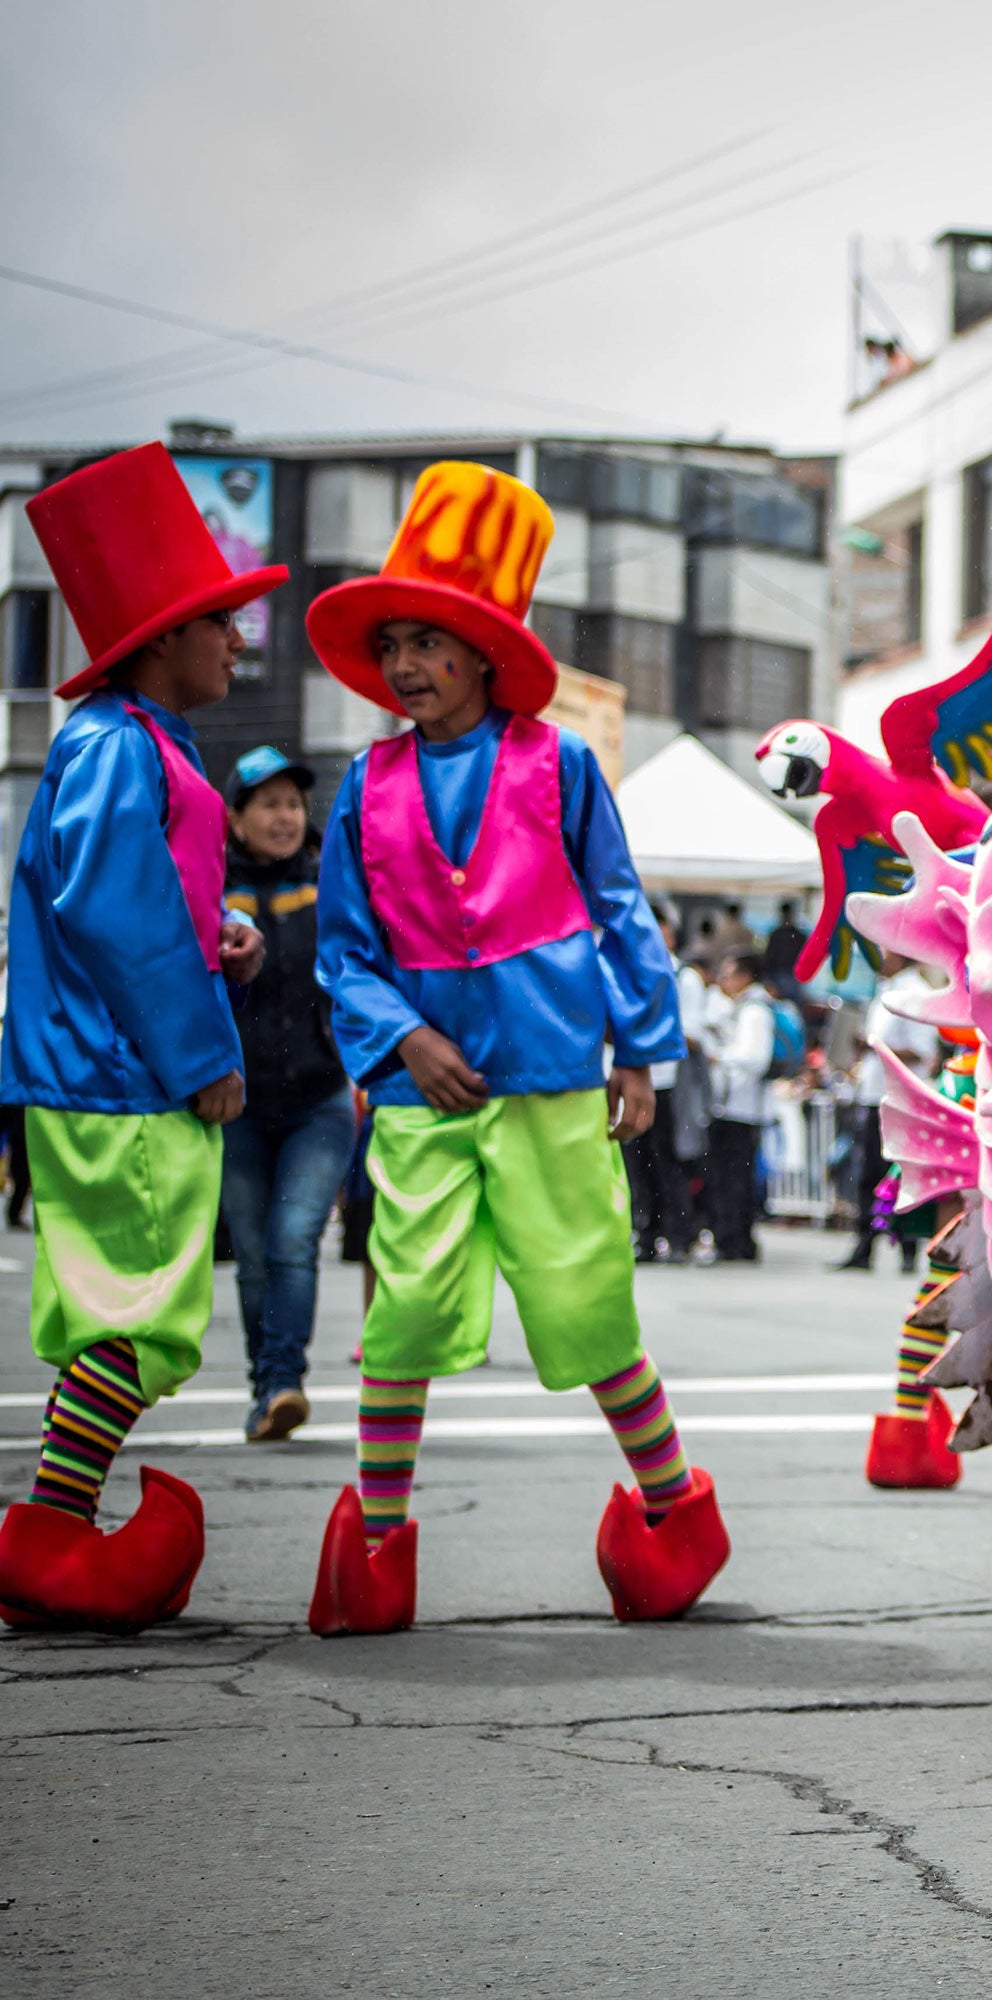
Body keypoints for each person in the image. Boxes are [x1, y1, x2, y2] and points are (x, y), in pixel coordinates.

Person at [304, 461, 725, 1634]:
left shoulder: (560, 764)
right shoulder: (363, 785)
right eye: (394, 642)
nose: (406, 666)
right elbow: (345, 950)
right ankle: (377, 1546)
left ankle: (671, 1508)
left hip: (546, 1076)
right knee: (407, 1312)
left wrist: (638, 1049)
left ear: (486, 655)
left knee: (586, 1299)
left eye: (431, 642)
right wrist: (404, 1037)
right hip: (421, 1095)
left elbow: (618, 902)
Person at [0, 443, 279, 1633]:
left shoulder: (129, 741)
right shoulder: (123, 742)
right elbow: (111, 904)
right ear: (162, 637)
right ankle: (51, 1536)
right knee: (143, 1312)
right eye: (221, 622)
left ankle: (55, 1532)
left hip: (95, 1064)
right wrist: (201, 1049)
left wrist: (214, 929)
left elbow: (125, 893)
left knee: (122, 1308)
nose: (238, 642)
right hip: (123, 1075)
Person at [220, 745, 356, 1443]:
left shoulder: (330, 883)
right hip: (234, 1104)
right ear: (236, 817)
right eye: (267, 803)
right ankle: (264, 1382)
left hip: (320, 1098)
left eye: (293, 804)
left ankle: (283, 1381)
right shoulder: (208, 885)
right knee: (251, 1249)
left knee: (293, 1239)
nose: (283, 816)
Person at [620, 900, 698, 1263]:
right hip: (628, 1077)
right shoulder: (625, 968)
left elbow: (692, 1031)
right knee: (636, 1162)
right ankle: (645, 1232)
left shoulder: (685, 977)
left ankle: (680, 1234)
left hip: (667, 1079)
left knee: (669, 1161)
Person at [699, 952, 774, 1265]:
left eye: (729, 974)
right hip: (730, 1106)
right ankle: (733, 1237)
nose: (723, 981)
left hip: (741, 1109)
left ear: (746, 977)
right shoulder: (736, 1008)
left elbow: (755, 1058)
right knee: (729, 1177)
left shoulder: (755, 1012)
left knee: (734, 1178)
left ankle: (735, 1239)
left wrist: (721, 1057)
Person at [759, 898, 805, 995]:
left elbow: (769, 956)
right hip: (793, 975)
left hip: (781, 974)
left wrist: (766, 976)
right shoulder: (798, 934)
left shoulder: (776, 934)